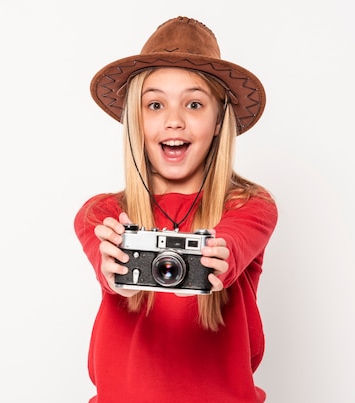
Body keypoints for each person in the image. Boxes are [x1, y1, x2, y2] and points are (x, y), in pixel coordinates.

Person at [74, 16, 278, 403]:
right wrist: (112, 262)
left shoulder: (250, 206)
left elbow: (235, 240)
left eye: (194, 104)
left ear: (219, 120)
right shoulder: (102, 213)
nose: (173, 120)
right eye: (155, 104)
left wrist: (217, 258)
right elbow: (104, 261)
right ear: (137, 118)